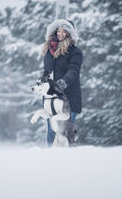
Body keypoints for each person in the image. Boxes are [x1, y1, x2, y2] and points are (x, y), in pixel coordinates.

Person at [41, 19, 83, 147]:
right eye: (58, 31)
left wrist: (65, 81)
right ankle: (49, 154)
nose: (60, 34)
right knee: (51, 130)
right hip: (52, 97)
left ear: (69, 33)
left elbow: (73, 70)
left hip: (69, 96)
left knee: (65, 131)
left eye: (64, 31)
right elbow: (47, 70)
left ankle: (69, 155)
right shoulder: (50, 49)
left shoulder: (75, 52)